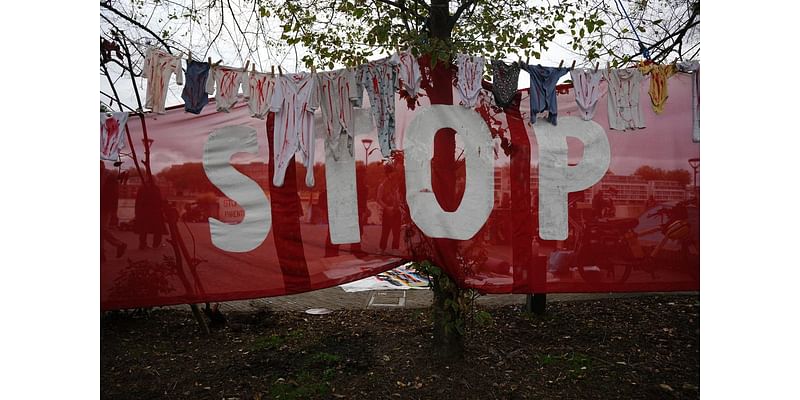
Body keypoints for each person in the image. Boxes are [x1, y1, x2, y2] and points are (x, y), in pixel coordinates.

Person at [101, 163, 127, 261]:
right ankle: (101, 253)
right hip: (103, 205)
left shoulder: (110, 177)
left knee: (102, 229)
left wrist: (113, 211)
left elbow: (113, 195)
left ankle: (119, 244)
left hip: (104, 206)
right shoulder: (108, 176)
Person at [134, 178, 167, 249]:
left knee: (143, 229)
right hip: (154, 211)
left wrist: (137, 212)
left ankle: (142, 244)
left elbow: (138, 201)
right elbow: (159, 200)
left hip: (143, 211)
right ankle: (156, 244)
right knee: (158, 228)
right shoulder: (155, 188)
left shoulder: (141, 188)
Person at [377, 164, 402, 251]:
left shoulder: (395, 184)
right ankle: (382, 248)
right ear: (387, 174)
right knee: (385, 231)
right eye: (391, 173)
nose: (393, 175)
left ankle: (395, 248)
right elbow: (379, 199)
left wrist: (398, 204)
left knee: (396, 232)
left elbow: (398, 197)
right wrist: (387, 207)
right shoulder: (382, 185)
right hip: (387, 211)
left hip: (396, 210)